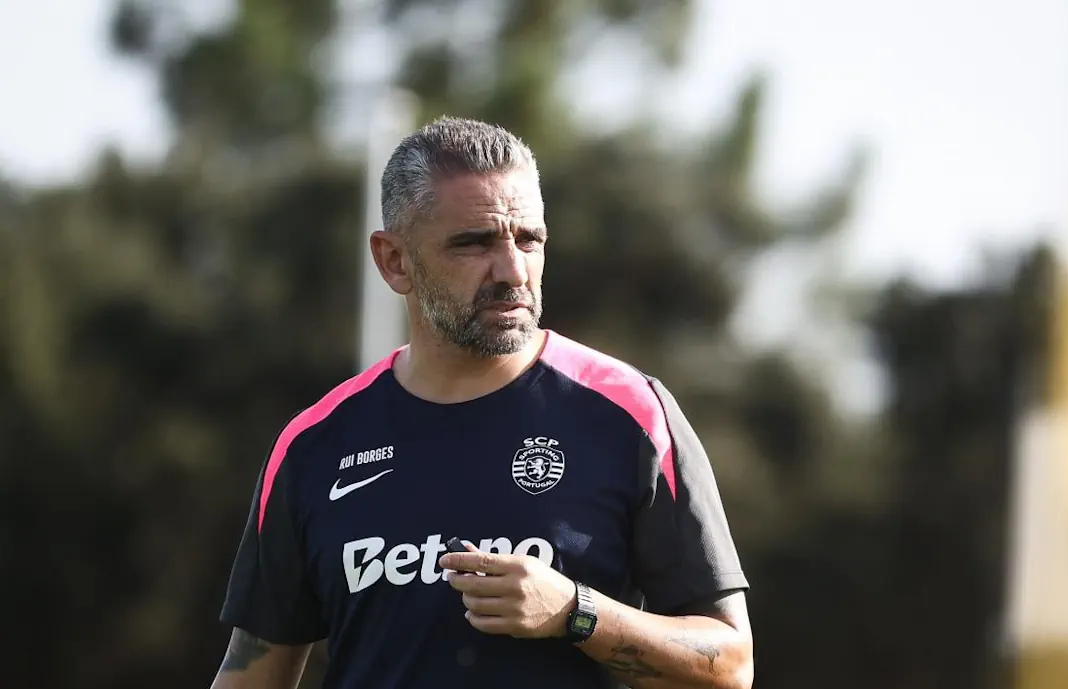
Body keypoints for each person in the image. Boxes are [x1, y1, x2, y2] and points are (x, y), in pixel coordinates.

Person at [210, 116, 753, 689]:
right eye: (474, 243)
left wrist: (577, 613)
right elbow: (252, 676)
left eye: (529, 239)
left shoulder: (629, 414)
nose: (513, 270)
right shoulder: (315, 444)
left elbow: (729, 666)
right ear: (394, 261)